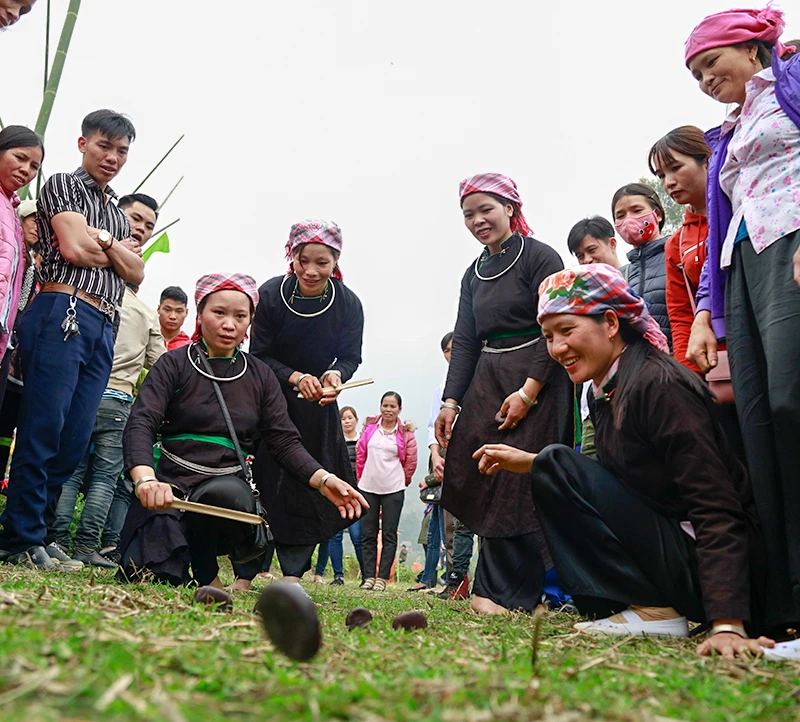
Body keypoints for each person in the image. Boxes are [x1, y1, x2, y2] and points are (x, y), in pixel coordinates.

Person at [474, 264, 774, 658]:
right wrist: (534, 463)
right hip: (677, 556)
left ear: (612, 323)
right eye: (548, 337)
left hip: (704, 567)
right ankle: (641, 605)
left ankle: (655, 610)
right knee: (553, 464)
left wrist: (727, 621)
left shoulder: (659, 385)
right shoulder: (610, 385)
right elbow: (621, 484)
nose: (557, 348)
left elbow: (715, 505)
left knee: (556, 462)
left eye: (567, 331)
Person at [118, 272, 368, 588]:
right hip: (168, 485)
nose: (229, 324)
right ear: (200, 312)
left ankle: (208, 571)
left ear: (250, 321)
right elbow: (141, 422)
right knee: (151, 573)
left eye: (240, 316)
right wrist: (147, 480)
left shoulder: (260, 376)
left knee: (227, 494)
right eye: (218, 312)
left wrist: (324, 479)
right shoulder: (173, 365)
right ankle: (200, 569)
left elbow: (284, 441)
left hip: (224, 487)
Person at [684, 6, 800, 637]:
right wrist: (706, 312)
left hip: (794, 242)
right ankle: (787, 613)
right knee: (757, 430)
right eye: (696, 73)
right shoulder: (726, 131)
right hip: (742, 269)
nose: (704, 79)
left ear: (753, 48)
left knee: (792, 405)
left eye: (711, 63)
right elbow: (723, 222)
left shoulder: (792, 75)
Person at [0, 110, 144, 569]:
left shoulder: (117, 210)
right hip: (64, 307)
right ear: (84, 144)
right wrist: (109, 249)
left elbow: (137, 272)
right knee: (44, 426)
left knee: (74, 436)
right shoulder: (62, 183)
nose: (113, 158)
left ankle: (39, 533)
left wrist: (101, 237)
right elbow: (73, 249)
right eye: (105, 146)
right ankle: (19, 536)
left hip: (105, 321)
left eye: (122, 151)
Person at [435, 172, 574, 615]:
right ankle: (492, 588)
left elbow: (555, 325)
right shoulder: (471, 275)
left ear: (511, 209)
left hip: (540, 373)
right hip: (488, 376)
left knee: (521, 482)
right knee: (474, 469)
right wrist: (451, 402)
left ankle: (523, 594)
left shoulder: (541, 257)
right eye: (468, 214)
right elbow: (467, 340)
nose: (478, 221)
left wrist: (529, 392)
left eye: (486, 210)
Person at [248, 219, 365, 584]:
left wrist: (335, 377)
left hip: (318, 407)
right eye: (303, 261)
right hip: (268, 400)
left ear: (336, 262)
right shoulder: (269, 295)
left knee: (310, 482)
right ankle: (251, 564)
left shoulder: (348, 304)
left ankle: (295, 571)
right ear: (292, 257)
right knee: (263, 479)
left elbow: (350, 357)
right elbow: (259, 354)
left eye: (322, 262)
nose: (311, 271)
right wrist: (295, 377)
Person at [51, 194, 164, 568]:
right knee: (104, 479)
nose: (142, 229)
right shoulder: (144, 313)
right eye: (136, 220)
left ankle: (55, 542)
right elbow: (160, 364)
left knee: (72, 471)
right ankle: (86, 549)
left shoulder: (92, 295)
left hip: (85, 393)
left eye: (149, 225)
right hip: (117, 401)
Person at [357, 392, 417, 591]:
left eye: (392, 406)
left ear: (399, 409)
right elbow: (360, 454)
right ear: (380, 407)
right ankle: (368, 577)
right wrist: (360, 478)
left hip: (393, 488)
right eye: (385, 405)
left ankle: (382, 578)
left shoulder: (405, 433)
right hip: (368, 486)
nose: (388, 410)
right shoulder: (370, 428)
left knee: (389, 534)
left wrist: (403, 480)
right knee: (368, 533)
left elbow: (410, 462)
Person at [611, 182, 672, 347]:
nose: (629, 220)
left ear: (657, 214)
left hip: (682, 361)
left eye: (637, 211)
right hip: (640, 367)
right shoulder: (620, 276)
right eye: (621, 215)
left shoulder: (678, 256)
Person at [322, 405, 366, 585]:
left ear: (356, 420)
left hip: (358, 492)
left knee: (358, 536)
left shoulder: (363, 441)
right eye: (343, 418)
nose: (347, 421)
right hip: (337, 491)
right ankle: (338, 576)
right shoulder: (335, 441)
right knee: (335, 535)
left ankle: (366, 575)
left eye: (350, 417)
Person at [158, 286, 191, 350]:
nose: (172, 316)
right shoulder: (145, 340)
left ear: (186, 312)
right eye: (167, 310)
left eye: (179, 311)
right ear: (158, 309)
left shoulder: (190, 348)